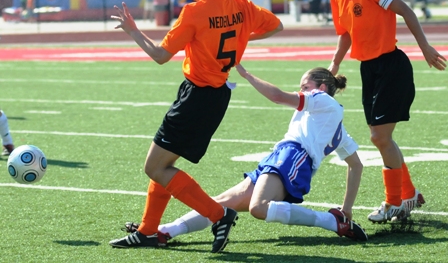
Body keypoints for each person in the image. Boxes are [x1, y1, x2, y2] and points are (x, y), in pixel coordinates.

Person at [109, 0, 283, 252]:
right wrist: (240, 35)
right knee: (166, 163)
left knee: (155, 167)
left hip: (196, 97)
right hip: (218, 97)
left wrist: (133, 30)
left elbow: (160, 56)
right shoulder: (240, 4)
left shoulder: (194, 11)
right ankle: (148, 231)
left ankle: (218, 214)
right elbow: (275, 26)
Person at [121, 66, 368, 244]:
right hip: (281, 156)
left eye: (304, 86)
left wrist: (247, 75)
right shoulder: (334, 121)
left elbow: (278, 96)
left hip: (293, 158)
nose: (301, 91)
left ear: (322, 88)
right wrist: (347, 208)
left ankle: (332, 222)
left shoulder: (322, 99)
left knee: (258, 208)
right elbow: (356, 166)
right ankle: (165, 231)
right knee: (221, 204)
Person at [319, 0, 447, 224]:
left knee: (380, 136)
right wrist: (334, 64)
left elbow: (407, 11)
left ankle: (393, 202)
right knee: (381, 139)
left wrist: (425, 46)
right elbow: (345, 34)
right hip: (369, 70)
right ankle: (409, 192)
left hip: (392, 66)